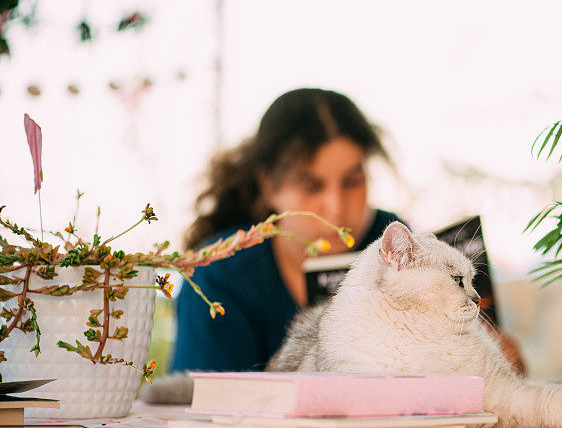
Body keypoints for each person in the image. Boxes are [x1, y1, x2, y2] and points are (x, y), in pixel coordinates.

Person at [171, 88, 525, 375]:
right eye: (311, 186)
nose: (336, 208)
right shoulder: (219, 272)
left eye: (353, 182)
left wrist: (494, 359)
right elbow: (198, 407)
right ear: (269, 186)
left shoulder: (394, 243)